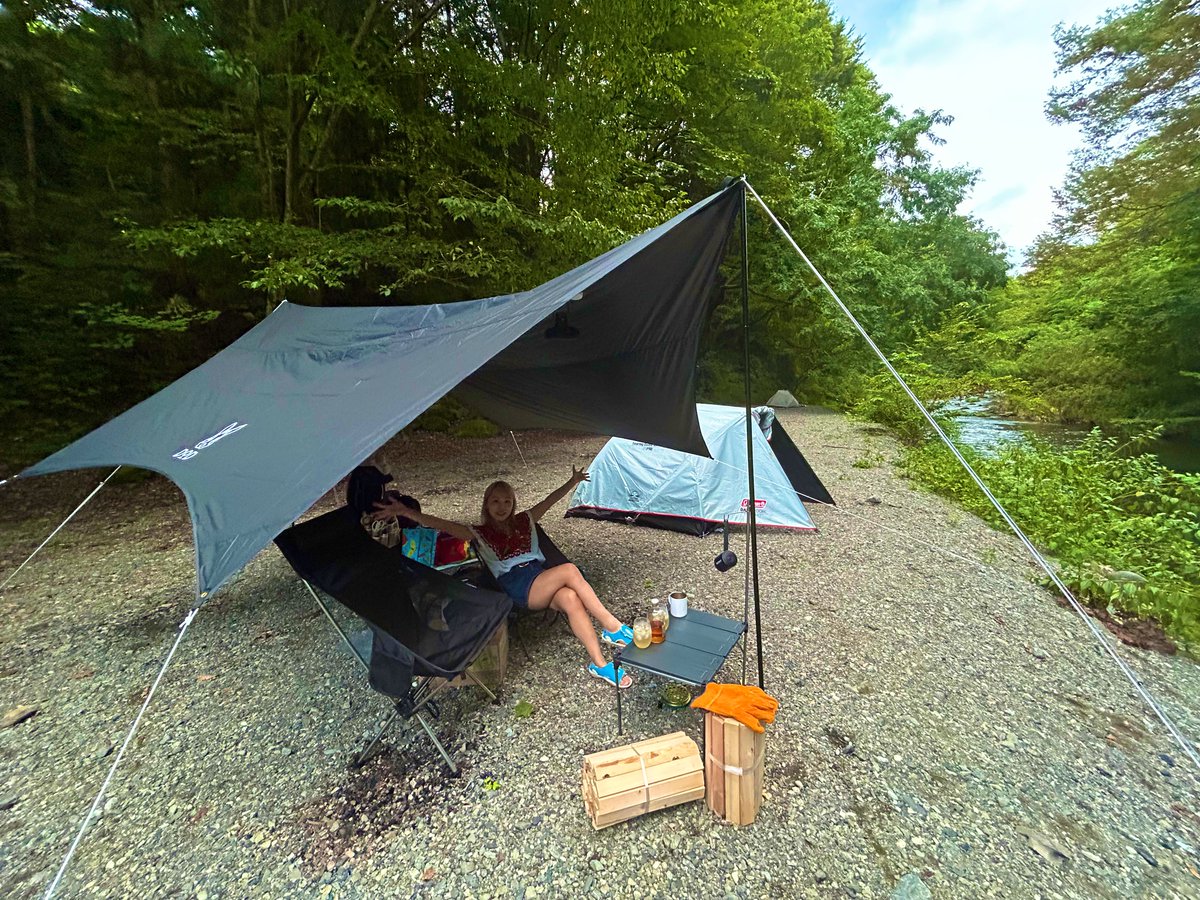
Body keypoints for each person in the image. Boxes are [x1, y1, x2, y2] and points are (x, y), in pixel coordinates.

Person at [373, 467, 635, 688]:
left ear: (514, 504)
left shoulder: (526, 520)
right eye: (496, 501)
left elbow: (550, 500)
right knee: (569, 571)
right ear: (486, 504)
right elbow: (440, 524)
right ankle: (612, 627)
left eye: (507, 501)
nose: (502, 507)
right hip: (516, 585)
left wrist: (573, 481)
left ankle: (600, 665)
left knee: (570, 598)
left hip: (540, 579)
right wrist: (405, 512)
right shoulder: (477, 532)